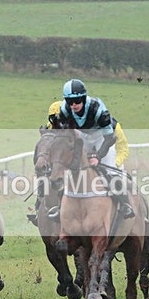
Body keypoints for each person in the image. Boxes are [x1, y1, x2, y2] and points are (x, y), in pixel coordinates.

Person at [53, 79, 134, 218]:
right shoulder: (65, 109)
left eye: (77, 100)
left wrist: (98, 156)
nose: (73, 105)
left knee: (110, 172)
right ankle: (59, 206)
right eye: (69, 101)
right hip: (82, 137)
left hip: (103, 137)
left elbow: (110, 138)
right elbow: (63, 132)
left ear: (83, 98)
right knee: (70, 171)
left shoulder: (98, 110)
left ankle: (125, 204)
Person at [47, 100, 129, 168]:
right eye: (55, 120)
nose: (60, 125)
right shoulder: (55, 125)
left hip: (106, 154)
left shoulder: (111, 125)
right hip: (85, 154)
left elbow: (123, 149)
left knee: (112, 172)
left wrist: (114, 164)